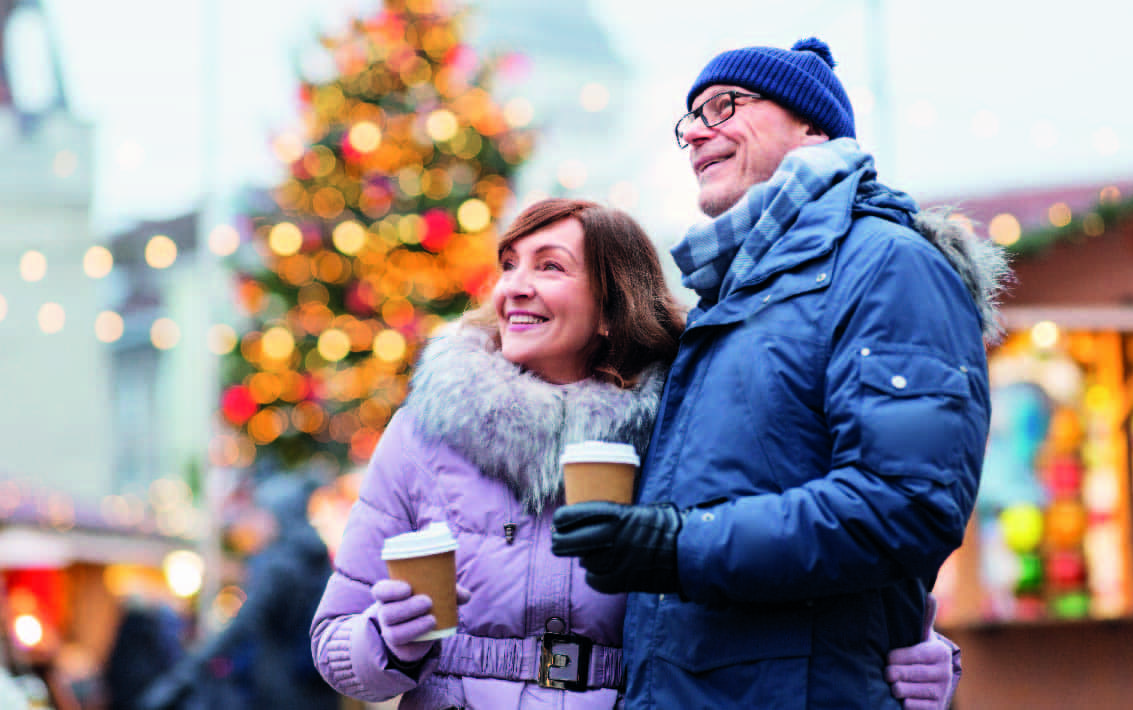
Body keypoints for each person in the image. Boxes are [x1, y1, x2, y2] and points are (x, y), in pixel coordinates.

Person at [309, 198, 957, 709]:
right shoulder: (424, 431)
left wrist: (919, 651)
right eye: (509, 264)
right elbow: (332, 645)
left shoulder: (689, 435)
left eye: (549, 266)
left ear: (610, 310)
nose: (514, 287)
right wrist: (384, 642)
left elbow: (778, 561)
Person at [551, 38, 1009, 709]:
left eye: (724, 106)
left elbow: (904, 502)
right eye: (690, 119)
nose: (697, 134)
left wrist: (679, 544)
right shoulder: (731, 293)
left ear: (811, 125)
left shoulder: (885, 264)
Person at [139, 474, 336, 710]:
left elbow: (241, 626)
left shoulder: (280, 565)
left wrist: (180, 678)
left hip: (283, 694)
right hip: (318, 693)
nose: (257, 523)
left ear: (280, 515)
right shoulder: (316, 561)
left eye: (263, 514)